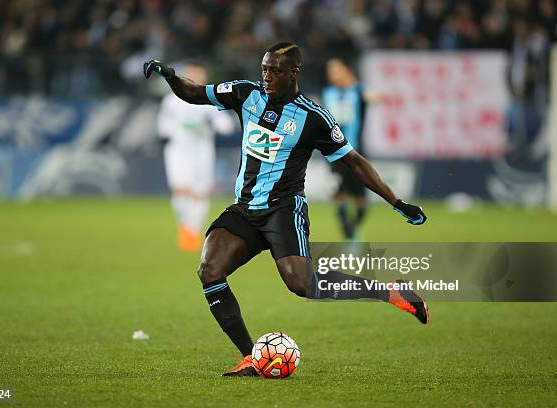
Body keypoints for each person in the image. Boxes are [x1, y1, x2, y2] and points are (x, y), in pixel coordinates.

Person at [144, 42, 427, 377]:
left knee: (300, 283)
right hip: (246, 209)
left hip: (283, 209)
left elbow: (354, 162)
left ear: (294, 73)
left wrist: (396, 202)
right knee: (209, 269)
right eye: (264, 68)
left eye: (275, 71)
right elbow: (193, 93)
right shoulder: (245, 93)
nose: (267, 76)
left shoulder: (313, 117)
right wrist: (170, 75)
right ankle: (252, 357)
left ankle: (392, 292)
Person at [157, 62, 236, 251]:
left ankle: (192, 231)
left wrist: (214, 121)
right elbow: (163, 127)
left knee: (200, 194)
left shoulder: (210, 102)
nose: (195, 80)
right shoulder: (171, 100)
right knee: (181, 189)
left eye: (199, 76)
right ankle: (187, 226)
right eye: (192, 75)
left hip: (202, 153)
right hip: (178, 151)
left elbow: (227, 127)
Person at [322, 57, 389, 240]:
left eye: (336, 70)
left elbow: (374, 96)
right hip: (334, 153)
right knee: (339, 192)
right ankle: (346, 227)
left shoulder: (359, 91)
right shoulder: (328, 93)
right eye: (330, 71)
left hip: (357, 153)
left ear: (347, 71)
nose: (332, 75)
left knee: (361, 200)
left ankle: (353, 226)